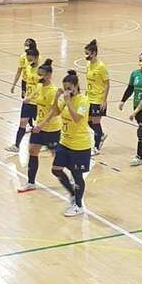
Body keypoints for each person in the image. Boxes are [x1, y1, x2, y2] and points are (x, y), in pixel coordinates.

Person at [49, 70, 91, 217]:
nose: (67, 91)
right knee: (56, 169)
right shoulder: (64, 99)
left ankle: (78, 205)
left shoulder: (83, 100)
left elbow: (77, 118)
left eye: (69, 88)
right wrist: (56, 98)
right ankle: (73, 193)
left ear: (76, 86)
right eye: (65, 88)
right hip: (65, 142)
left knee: (77, 175)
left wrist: (67, 102)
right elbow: (54, 113)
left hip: (80, 145)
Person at [19, 59, 61, 193]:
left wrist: (41, 125)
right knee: (32, 151)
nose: (39, 77)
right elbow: (33, 95)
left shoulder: (53, 91)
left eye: (41, 75)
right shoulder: (39, 86)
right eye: (38, 74)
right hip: (39, 127)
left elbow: (54, 111)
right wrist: (28, 99)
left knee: (56, 155)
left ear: (49, 75)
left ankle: (71, 176)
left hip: (51, 128)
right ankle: (31, 182)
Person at [6, 47, 40, 153]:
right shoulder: (28, 68)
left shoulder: (41, 70)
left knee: (41, 125)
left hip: (38, 102)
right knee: (22, 122)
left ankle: (50, 144)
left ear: (36, 58)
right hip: (28, 102)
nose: (29, 62)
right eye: (28, 59)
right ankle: (16, 145)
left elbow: (41, 86)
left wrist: (32, 96)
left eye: (31, 59)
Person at [119, 51, 142, 166]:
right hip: (137, 107)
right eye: (140, 60)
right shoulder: (135, 74)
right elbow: (130, 88)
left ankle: (139, 156)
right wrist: (123, 101)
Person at [84, 39, 109, 155]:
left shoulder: (101, 67)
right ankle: (101, 135)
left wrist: (104, 100)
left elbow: (107, 84)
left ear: (94, 53)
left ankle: (96, 148)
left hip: (98, 99)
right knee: (87, 121)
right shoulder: (88, 64)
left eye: (87, 53)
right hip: (88, 97)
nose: (86, 56)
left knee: (95, 123)